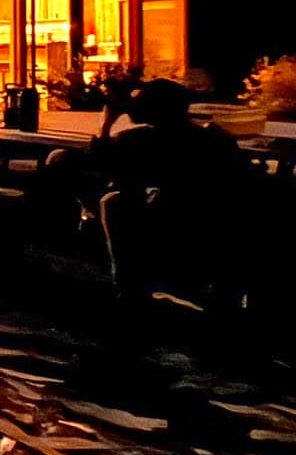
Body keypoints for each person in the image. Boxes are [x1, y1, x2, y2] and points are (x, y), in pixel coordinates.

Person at [85, 77, 256, 309]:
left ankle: (128, 287)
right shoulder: (213, 139)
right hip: (219, 226)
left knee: (112, 202)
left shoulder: (142, 139)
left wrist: (106, 122)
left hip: (174, 226)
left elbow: (99, 159)